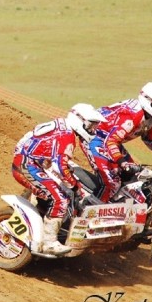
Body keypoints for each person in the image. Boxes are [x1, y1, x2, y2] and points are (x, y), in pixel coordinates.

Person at [11, 103, 106, 255]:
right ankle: (49, 243)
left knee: (65, 193)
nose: (93, 129)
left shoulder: (63, 126)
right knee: (61, 199)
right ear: (79, 119)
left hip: (32, 163)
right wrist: (75, 186)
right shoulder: (67, 135)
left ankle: (45, 225)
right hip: (27, 165)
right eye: (91, 124)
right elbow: (60, 166)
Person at [83, 82, 152, 203]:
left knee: (134, 179)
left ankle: (120, 208)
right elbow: (111, 141)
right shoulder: (133, 114)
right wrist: (122, 163)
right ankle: (92, 213)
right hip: (94, 136)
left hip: (111, 141)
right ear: (148, 99)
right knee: (111, 182)